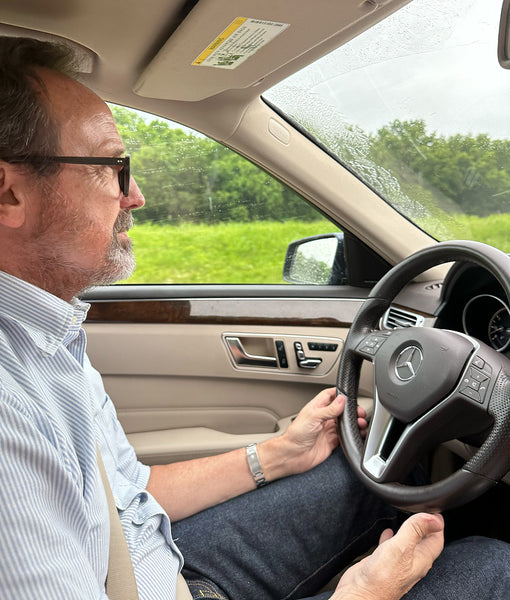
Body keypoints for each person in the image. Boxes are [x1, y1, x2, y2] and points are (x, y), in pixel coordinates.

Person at [0, 36, 508, 600]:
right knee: (494, 567)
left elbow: (126, 496)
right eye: (111, 167)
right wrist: (362, 595)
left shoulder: (46, 333)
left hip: (155, 566)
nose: (135, 195)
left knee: (377, 476)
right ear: (8, 193)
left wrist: (276, 455)